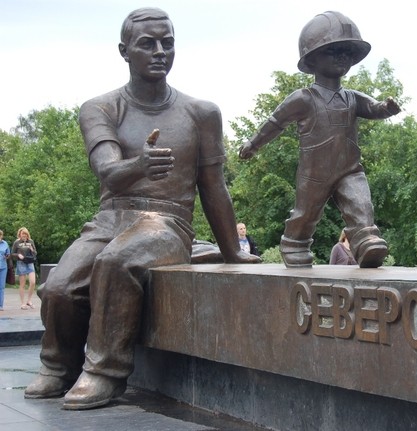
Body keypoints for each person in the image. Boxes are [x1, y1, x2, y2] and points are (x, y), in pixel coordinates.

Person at [24, 7, 260, 411]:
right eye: (148, 44)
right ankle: (58, 365)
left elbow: (214, 187)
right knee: (61, 287)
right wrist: (140, 165)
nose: (160, 52)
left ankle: (105, 371)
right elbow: (107, 172)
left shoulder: (201, 113)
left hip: (168, 222)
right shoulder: (101, 108)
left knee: (117, 261)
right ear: (124, 51)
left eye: (168, 43)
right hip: (109, 219)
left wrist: (233, 251)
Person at [239, 11, 400, 269]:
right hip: (314, 173)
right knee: (306, 213)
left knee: (361, 204)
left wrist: (386, 108)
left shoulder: (352, 97)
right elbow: (275, 122)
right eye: (333, 51)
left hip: (349, 169)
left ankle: (365, 241)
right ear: (312, 59)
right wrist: (253, 143)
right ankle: (295, 243)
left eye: (346, 52)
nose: (341, 57)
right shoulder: (303, 98)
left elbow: (373, 107)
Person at [11, 227, 37, 310]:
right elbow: (12, 254)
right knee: (22, 284)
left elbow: (35, 253)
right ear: (20, 234)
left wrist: (32, 250)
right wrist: (18, 255)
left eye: (25, 234)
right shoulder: (17, 242)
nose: (24, 235)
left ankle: (29, 300)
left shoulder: (31, 241)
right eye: (23, 234)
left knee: (33, 282)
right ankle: (22, 303)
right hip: (21, 263)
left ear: (27, 234)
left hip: (30, 263)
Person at [0, 230, 11, 311]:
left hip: (3, 267)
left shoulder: (5, 243)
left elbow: (8, 254)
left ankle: (0, 305)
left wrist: (7, 256)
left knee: (1, 286)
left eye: (0, 235)